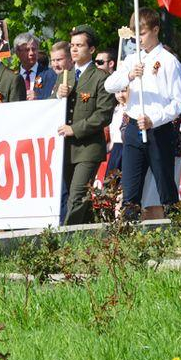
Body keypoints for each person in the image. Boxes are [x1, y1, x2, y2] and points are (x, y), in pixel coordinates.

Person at [104, 8, 181, 218]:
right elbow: (109, 84)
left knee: (166, 189)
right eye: (135, 34)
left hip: (158, 131)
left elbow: (178, 103)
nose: (138, 39)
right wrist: (129, 75)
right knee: (131, 191)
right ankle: (127, 237)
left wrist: (154, 119)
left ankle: (179, 235)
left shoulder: (169, 61)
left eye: (142, 33)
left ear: (155, 30)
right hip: (133, 129)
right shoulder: (132, 59)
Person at [53, 25, 115, 225]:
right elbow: (49, 110)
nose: (74, 49)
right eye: (72, 45)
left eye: (79, 45)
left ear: (91, 49)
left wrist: (75, 129)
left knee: (77, 195)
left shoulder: (100, 77)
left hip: (88, 147)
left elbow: (104, 114)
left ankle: (66, 242)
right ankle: (90, 237)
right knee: (80, 198)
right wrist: (57, 96)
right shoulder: (64, 76)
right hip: (66, 148)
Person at [13, 32, 57, 100]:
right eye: (27, 50)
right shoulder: (12, 77)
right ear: (17, 53)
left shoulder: (50, 74)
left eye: (34, 49)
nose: (31, 53)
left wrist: (38, 98)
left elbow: (55, 100)